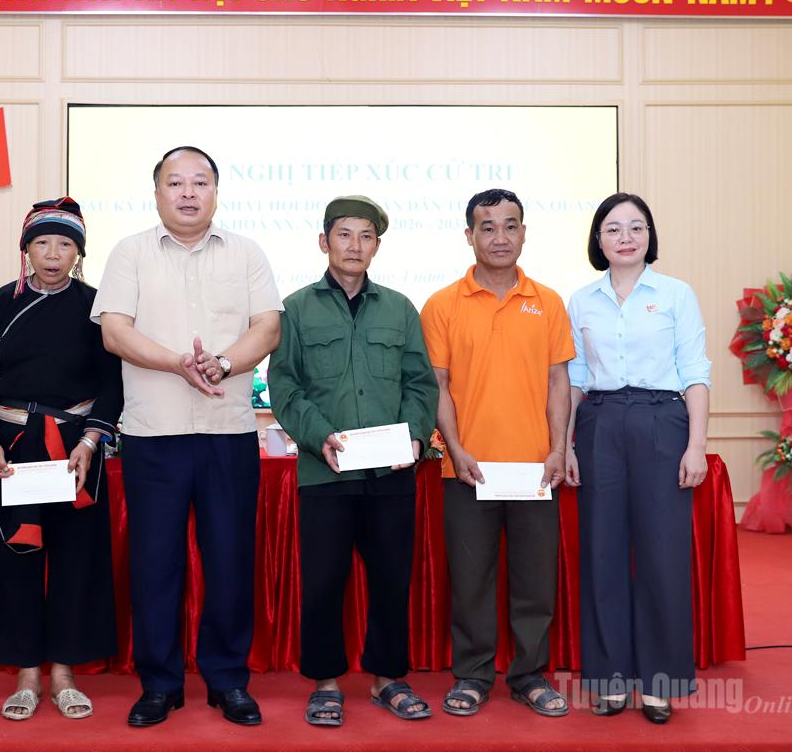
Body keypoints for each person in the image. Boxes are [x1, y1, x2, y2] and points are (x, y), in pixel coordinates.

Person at [91, 146, 282, 727]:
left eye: (200, 182)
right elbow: (115, 332)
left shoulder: (246, 252)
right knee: (155, 564)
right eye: (176, 183)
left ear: (216, 192)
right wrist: (177, 363)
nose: (189, 193)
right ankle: (160, 684)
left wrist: (221, 364)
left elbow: (268, 327)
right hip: (155, 435)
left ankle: (227, 680)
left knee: (230, 561)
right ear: (157, 194)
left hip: (227, 433)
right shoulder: (130, 252)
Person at [268, 195, 438, 727]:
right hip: (326, 470)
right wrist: (320, 436)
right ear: (324, 241)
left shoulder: (400, 308)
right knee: (323, 581)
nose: (355, 245)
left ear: (377, 246)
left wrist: (415, 438)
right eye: (344, 234)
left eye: (366, 236)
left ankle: (388, 679)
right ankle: (325, 683)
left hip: (392, 471)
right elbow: (285, 386)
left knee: (392, 578)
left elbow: (420, 383)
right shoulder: (295, 309)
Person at [0, 197, 123, 721]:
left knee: (77, 561)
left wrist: (91, 441)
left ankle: (65, 675)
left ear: (79, 253)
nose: (53, 254)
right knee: (16, 558)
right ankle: (28, 672)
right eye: (42, 243)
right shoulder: (0, 302)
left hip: (76, 448)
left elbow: (112, 382)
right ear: (26, 250)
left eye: (65, 244)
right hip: (13, 448)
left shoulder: (96, 305)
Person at [420, 188, 573, 719]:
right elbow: (438, 386)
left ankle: (530, 675)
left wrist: (558, 449)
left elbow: (558, 382)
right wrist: (455, 449)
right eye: (488, 227)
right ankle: (473, 675)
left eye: (510, 226)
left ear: (524, 233)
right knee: (471, 581)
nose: (500, 237)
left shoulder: (547, 302)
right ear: (470, 236)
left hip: (535, 470)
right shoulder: (442, 305)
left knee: (535, 581)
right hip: (468, 470)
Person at [563, 193, 711, 725]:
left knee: (661, 557)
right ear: (598, 240)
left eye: (636, 226)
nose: (625, 237)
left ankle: (659, 683)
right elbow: (576, 379)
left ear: (650, 235)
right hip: (599, 424)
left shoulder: (676, 294)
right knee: (601, 553)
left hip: (661, 422)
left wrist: (696, 445)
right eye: (613, 228)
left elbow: (695, 372)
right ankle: (608, 680)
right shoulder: (581, 300)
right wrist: (565, 444)